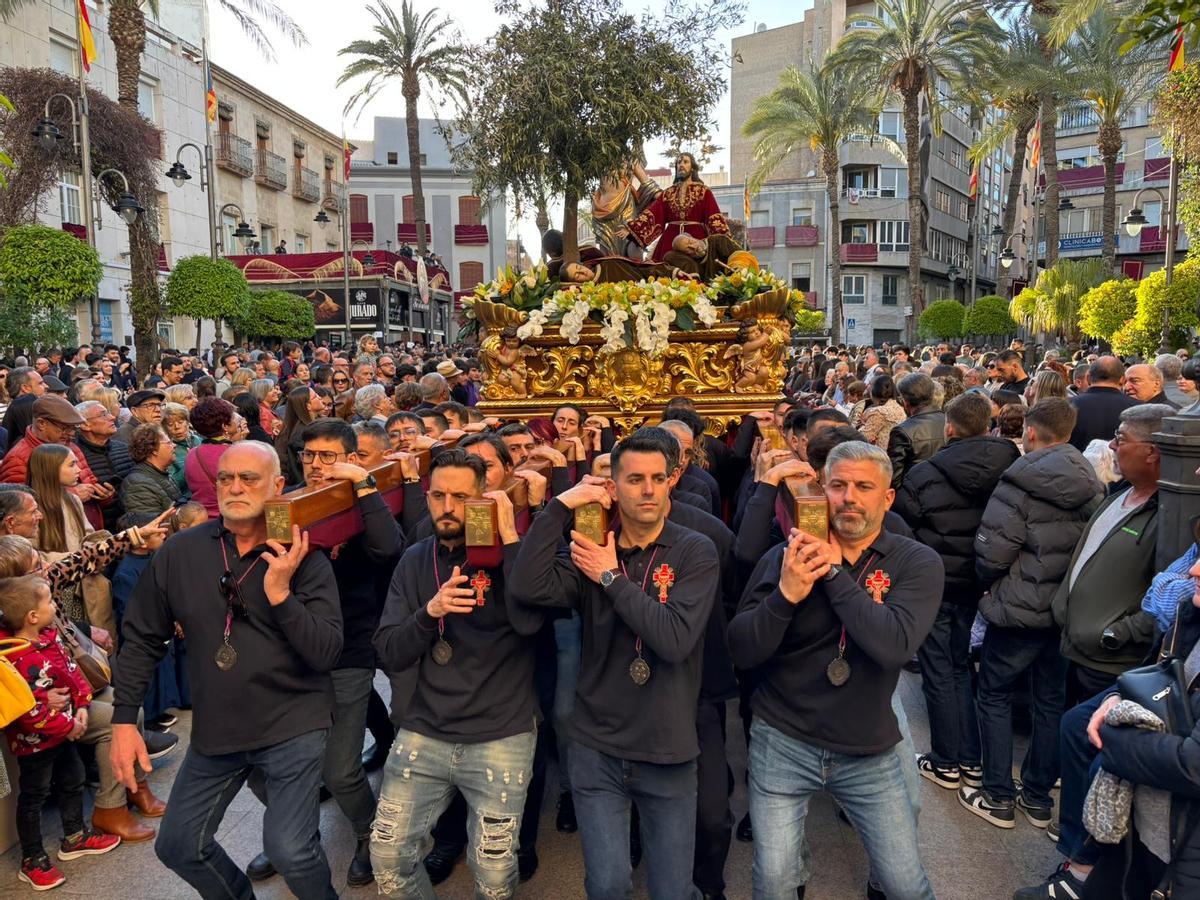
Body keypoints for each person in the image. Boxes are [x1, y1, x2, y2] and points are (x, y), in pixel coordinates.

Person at [110, 441, 342, 900]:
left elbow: (326, 652)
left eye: (249, 478)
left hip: (293, 721)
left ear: (277, 485)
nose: (235, 487)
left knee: (291, 849)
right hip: (219, 729)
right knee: (178, 845)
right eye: (225, 478)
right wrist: (123, 721)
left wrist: (281, 594)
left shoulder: (302, 552)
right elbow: (140, 638)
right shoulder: (179, 552)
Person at [728, 440, 941, 899]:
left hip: (868, 747)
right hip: (783, 739)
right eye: (838, 485)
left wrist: (833, 574)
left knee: (904, 882)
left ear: (886, 498)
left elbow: (893, 646)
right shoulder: (784, 556)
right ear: (821, 490)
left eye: (864, 487)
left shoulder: (915, 562)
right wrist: (784, 596)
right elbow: (742, 650)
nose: (849, 497)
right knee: (775, 879)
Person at [510, 430, 718, 899]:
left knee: (671, 889)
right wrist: (559, 508)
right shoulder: (590, 547)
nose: (647, 489)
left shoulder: (693, 551)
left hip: (666, 747)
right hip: (596, 746)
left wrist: (609, 575)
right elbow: (526, 586)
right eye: (634, 479)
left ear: (671, 483)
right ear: (613, 486)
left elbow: (673, 638)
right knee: (606, 885)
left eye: (657, 479)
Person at [370, 449, 540, 897]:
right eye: (438, 495)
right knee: (387, 858)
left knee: (495, 870)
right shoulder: (414, 559)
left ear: (486, 497)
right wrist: (430, 612)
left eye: (461, 497)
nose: (447, 506)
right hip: (425, 727)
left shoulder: (510, 556)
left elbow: (531, 625)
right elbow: (389, 650)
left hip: (501, 732)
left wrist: (508, 538)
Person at [246, 418, 404, 887]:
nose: (315, 465)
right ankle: (291, 838)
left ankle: (369, 834)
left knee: (340, 768)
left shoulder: (363, 499)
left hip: (348, 650)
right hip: (287, 652)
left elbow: (388, 548)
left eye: (328, 456)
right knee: (263, 763)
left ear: (352, 459)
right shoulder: (291, 502)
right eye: (309, 456)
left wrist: (364, 486)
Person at [965, 398, 1104, 829]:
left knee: (994, 693)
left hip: (1018, 608)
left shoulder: (1019, 481)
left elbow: (992, 550)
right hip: (1063, 609)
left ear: (1029, 431)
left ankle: (998, 794)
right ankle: (1039, 796)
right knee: (1051, 700)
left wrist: (989, 584)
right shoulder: (1091, 479)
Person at [893, 392, 1020, 791]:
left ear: (950, 427)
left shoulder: (923, 475)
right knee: (960, 665)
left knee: (939, 669)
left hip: (938, 581)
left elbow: (905, 527)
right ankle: (970, 757)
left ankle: (947, 758)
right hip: (980, 579)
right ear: (989, 424)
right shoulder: (1011, 465)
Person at [2, 575, 121, 891]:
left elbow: (71, 672)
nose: (55, 606)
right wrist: (71, 726)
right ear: (32, 616)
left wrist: (82, 704)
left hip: (66, 731)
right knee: (33, 798)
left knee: (73, 780)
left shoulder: (49, 637)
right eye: (49, 602)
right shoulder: (13, 656)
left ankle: (75, 836)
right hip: (36, 744)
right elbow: (29, 712)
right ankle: (32, 859)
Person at [1052, 404, 1172, 705]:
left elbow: (1171, 597)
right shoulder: (1119, 494)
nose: (1112, 446)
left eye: (1121, 438)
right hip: (1075, 649)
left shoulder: (1168, 517)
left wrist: (1117, 633)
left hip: (1109, 664)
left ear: (1152, 451)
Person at [627, 152, 731, 262]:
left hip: (695, 239)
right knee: (665, 271)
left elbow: (714, 218)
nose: (681, 164)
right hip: (670, 239)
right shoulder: (668, 193)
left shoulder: (704, 191)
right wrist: (633, 229)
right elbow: (653, 214)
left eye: (685, 162)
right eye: (678, 162)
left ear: (692, 168)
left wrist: (724, 242)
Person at [74, 400, 133, 533]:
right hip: (100, 532)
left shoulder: (124, 449)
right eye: (103, 415)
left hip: (132, 525)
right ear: (84, 424)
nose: (112, 417)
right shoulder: (74, 457)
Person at [886, 373, 946, 488]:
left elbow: (894, 478)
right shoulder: (950, 421)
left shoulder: (902, 431)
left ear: (905, 401)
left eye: (901, 398)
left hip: (914, 494)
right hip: (945, 493)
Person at [1069, 356, 1139, 451]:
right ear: (1122, 380)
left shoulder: (1067, 406)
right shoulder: (1139, 409)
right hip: (1123, 464)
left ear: (1088, 378)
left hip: (1077, 464)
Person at [183, 398, 237, 518]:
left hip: (201, 521)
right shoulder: (236, 453)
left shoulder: (191, 454)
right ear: (224, 425)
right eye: (232, 417)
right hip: (231, 518)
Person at [118, 425, 181, 527]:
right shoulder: (137, 485)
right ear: (153, 450)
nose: (174, 445)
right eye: (169, 443)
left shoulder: (161, 473)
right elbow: (152, 528)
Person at [275, 387, 325, 486]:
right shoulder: (302, 435)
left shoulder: (301, 428)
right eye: (315, 396)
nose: (320, 397)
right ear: (308, 406)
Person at [859, 375, 907, 450]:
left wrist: (863, 425)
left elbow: (862, 438)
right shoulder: (899, 407)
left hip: (881, 455)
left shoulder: (879, 412)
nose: (867, 387)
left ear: (875, 390)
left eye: (870, 385)